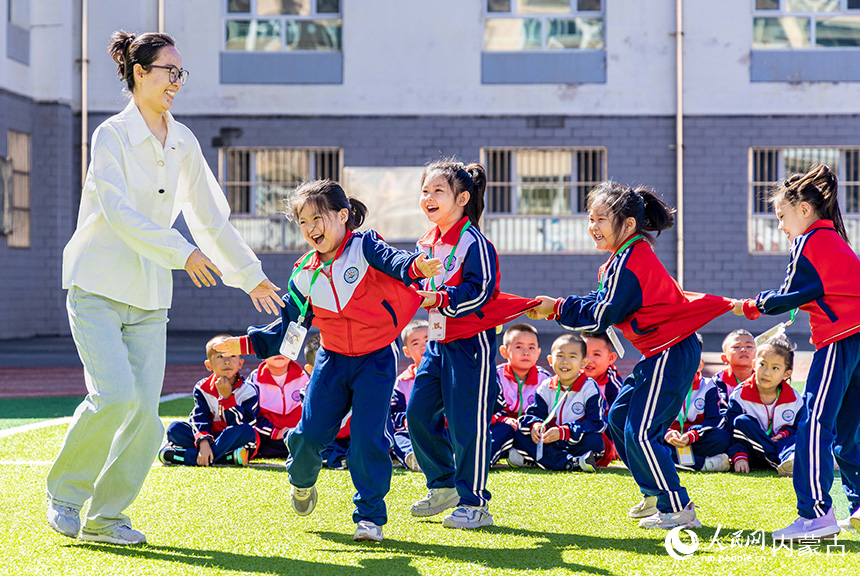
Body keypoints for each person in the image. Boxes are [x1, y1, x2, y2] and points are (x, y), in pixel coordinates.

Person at [45, 31, 281, 546]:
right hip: (97, 286)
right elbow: (118, 214)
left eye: (180, 73)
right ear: (138, 73)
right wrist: (182, 253)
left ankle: (107, 517)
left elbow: (210, 217)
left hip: (150, 297)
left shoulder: (184, 141)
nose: (176, 81)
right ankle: (64, 494)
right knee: (113, 395)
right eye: (168, 71)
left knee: (146, 417)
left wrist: (249, 274)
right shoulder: (110, 135)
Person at [216, 179, 442, 543]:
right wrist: (241, 343)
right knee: (307, 438)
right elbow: (287, 330)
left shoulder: (364, 246)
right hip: (332, 361)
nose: (310, 228)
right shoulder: (303, 273)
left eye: (317, 218)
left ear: (342, 216)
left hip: (376, 360)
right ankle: (302, 481)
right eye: (302, 222)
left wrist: (416, 267)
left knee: (368, 439)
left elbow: (395, 262)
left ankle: (369, 517)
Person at [528, 181, 732, 530]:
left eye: (602, 219)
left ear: (628, 224)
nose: (593, 226)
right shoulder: (620, 259)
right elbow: (600, 303)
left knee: (640, 431)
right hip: (659, 352)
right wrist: (558, 307)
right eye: (590, 218)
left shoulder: (631, 259)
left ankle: (677, 507)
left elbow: (603, 312)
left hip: (672, 349)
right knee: (619, 419)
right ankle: (654, 490)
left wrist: (556, 307)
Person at [406, 160, 537, 530]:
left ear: (463, 198)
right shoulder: (426, 243)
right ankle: (444, 484)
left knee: (467, 425)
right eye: (425, 190)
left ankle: (475, 503)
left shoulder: (475, 242)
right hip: (436, 343)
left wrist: (438, 299)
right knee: (417, 414)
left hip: (470, 345)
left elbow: (481, 292)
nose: (428, 198)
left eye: (438, 191)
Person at [733, 164, 860, 538]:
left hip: (839, 340)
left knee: (813, 424)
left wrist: (753, 305)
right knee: (849, 430)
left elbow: (789, 293)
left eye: (781, 216)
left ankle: (816, 514)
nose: (781, 226)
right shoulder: (835, 239)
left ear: (804, 209)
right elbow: (814, 293)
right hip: (855, 338)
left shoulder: (809, 241)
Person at [510, 334, 606, 471]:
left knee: (595, 441)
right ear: (550, 359)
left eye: (572, 357)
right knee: (521, 433)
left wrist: (564, 432)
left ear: (583, 363)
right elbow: (533, 415)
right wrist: (536, 426)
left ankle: (537, 460)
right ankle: (572, 462)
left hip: (574, 442)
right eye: (560, 356)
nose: (565, 362)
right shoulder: (545, 386)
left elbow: (598, 423)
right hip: (549, 441)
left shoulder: (589, 388)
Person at [160, 335, 258, 466]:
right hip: (210, 436)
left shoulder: (248, 390)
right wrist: (203, 442)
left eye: (232, 356)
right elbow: (199, 417)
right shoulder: (202, 388)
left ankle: (186, 457)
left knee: (247, 432)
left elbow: (245, 423)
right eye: (220, 357)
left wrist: (227, 398)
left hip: (232, 438)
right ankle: (224, 458)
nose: (227, 361)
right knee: (174, 428)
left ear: (240, 363)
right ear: (209, 365)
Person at [723, 336, 803, 478]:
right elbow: (731, 432)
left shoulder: (795, 400)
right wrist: (739, 455)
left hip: (783, 449)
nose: (766, 373)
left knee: (796, 437)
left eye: (775, 368)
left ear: (786, 374)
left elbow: (796, 429)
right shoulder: (739, 395)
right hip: (752, 453)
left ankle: (788, 461)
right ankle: (777, 461)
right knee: (741, 422)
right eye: (762, 365)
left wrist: (783, 433)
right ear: (754, 364)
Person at [663, 335, 731, 473]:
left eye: (688, 359)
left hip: (696, 438)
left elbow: (715, 420)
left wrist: (692, 435)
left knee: (722, 438)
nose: (681, 364)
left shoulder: (709, 386)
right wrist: (667, 433)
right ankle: (704, 464)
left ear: (699, 364)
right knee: (651, 440)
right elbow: (653, 418)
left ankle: (672, 459)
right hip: (669, 439)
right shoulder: (661, 386)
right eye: (675, 359)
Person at [489, 323, 551, 467]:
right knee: (503, 431)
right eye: (519, 347)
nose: (526, 352)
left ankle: (526, 458)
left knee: (538, 435)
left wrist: (534, 423)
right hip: (502, 427)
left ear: (538, 352)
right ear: (504, 351)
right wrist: (503, 420)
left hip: (529, 429)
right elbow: (486, 408)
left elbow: (549, 411)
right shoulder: (495, 376)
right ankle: (481, 461)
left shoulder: (545, 379)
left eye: (531, 348)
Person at [246, 353, 309, 459]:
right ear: (262, 350)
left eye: (284, 345)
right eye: (273, 345)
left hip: (296, 435)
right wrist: (274, 433)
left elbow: (309, 413)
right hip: (267, 437)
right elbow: (250, 416)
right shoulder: (254, 380)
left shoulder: (303, 377)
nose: (279, 351)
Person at [389, 320, 429, 472]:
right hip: (413, 432)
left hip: (440, 428)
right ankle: (413, 458)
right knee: (397, 439)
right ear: (407, 352)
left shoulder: (446, 376)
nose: (423, 347)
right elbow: (395, 413)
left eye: (427, 340)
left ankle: (453, 458)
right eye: (416, 343)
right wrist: (406, 419)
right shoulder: (401, 382)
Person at [582, 331, 623, 466]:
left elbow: (618, 416)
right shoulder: (571, 375)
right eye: (584, 353)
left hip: (602, 431)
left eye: (596, 354)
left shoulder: (612, 381)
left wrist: (617, 442)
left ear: (611, 358)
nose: (588, 359)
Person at [705, 329, 756, 411]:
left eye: (749, 346)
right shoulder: (718, 381)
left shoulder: (762, 379)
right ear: (724, 358)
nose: (743, 349)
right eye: (736, 347)